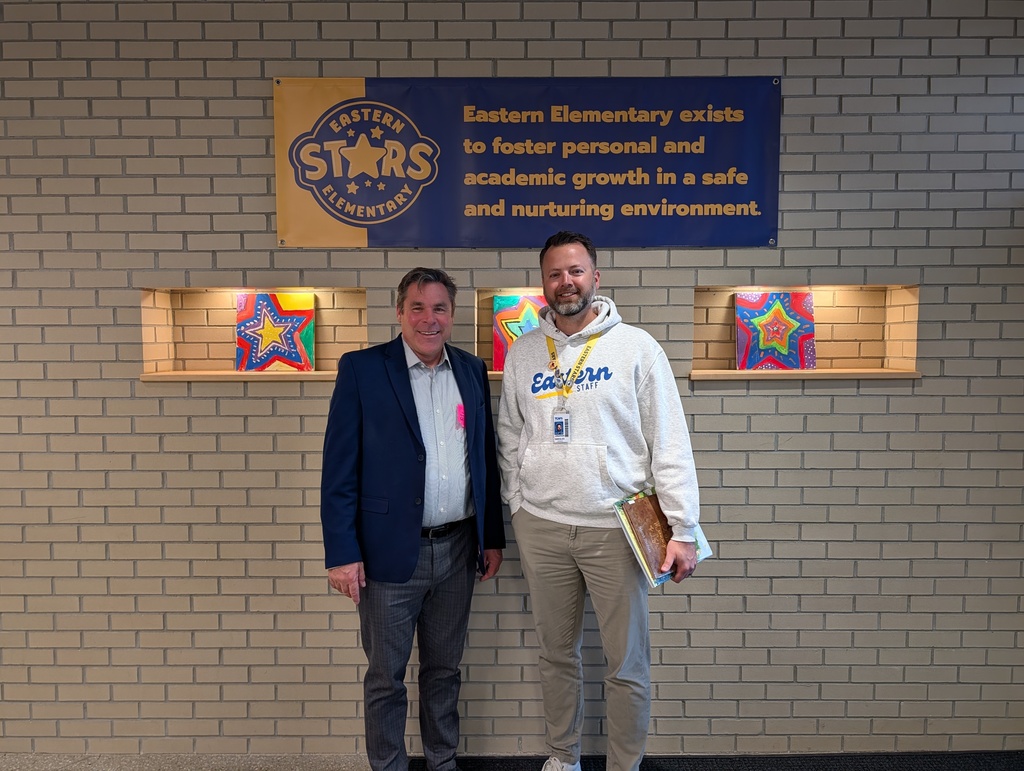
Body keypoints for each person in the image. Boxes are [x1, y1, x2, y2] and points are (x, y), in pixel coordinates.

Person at [496, 231, 701, 771]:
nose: (566, 282)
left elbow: (669, 442)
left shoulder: (637, 348)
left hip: (615, 529)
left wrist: (683, 528)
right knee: (555, 654)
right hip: (542, 526)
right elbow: (510, 434)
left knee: (625, 663)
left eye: (576, 271)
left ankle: (624, 764)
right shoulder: (524, 352)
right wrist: (517, 502)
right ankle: (563, 756)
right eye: (555, 274)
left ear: (595, 277)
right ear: (543, 283)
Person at [321, 267, 505, 771]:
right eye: (418, 308)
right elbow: (339, 470)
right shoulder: (362, 369)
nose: (429, 319)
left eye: (439, 308)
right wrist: (342, 553)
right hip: (387, 553)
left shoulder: (470, 369)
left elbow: (483, 459)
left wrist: (491, 537)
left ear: (452, 314)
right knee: (386, 677)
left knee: (444, 670)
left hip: (459, 549)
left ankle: (443, 762)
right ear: (400, 312)